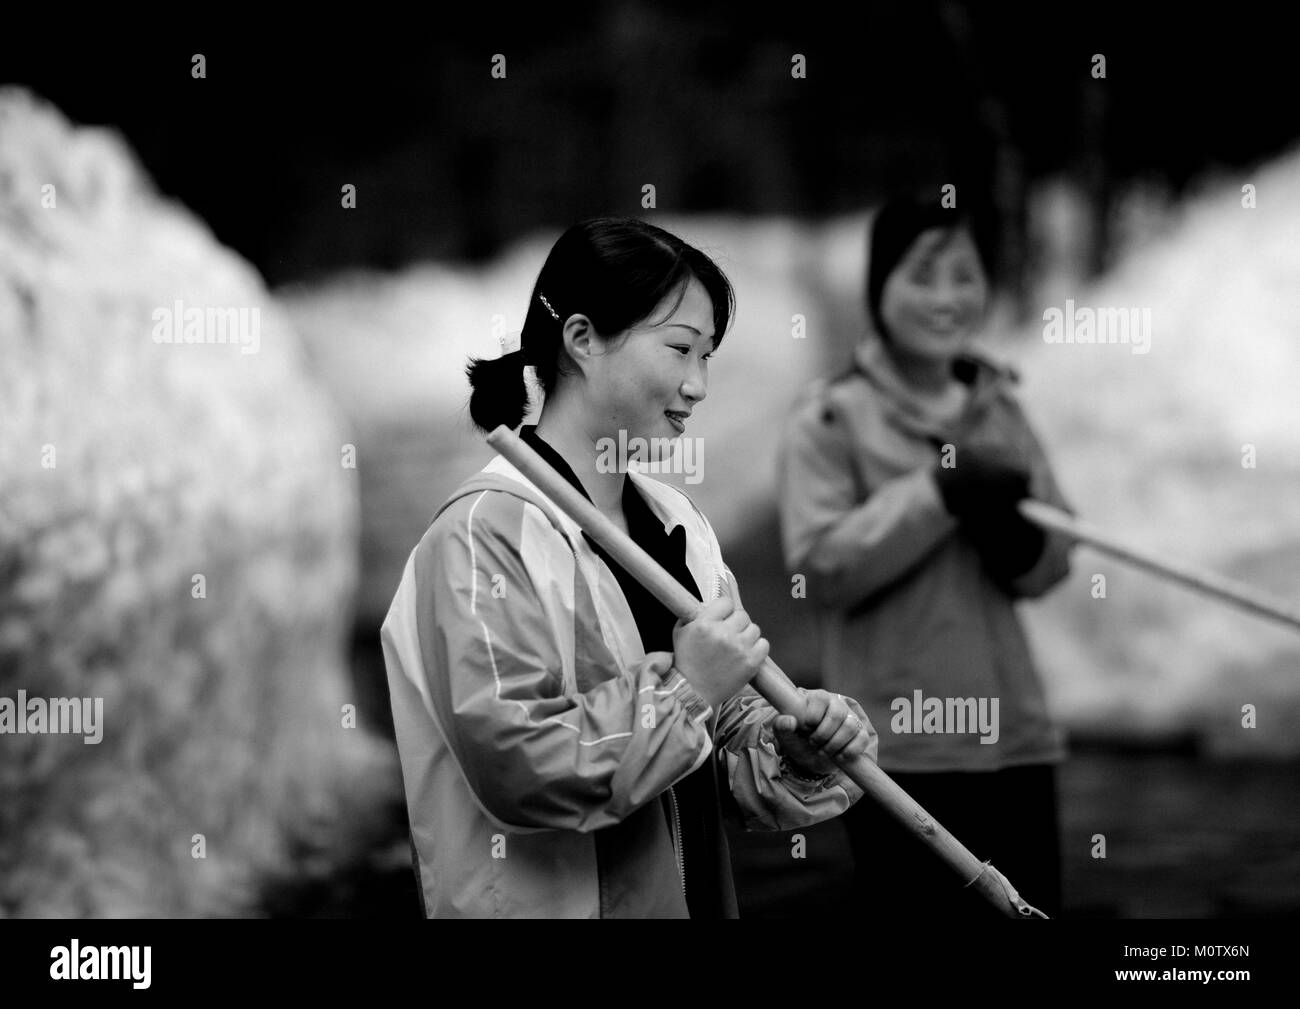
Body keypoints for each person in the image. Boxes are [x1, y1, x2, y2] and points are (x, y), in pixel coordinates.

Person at [381, 216, 878, 918]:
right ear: (582, 339)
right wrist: (687, 688)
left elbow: (720, 745)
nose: (699, 384)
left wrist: (792, 745)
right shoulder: (481, 536)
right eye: (680, 349)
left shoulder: (679, 524)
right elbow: (518, 766)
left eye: (707, 355)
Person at [777, 194, 1074, 918]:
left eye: (964, 275)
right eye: (923, 275)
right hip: (898, 753)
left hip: (1016, 742)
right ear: (880, 286)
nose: (947, 297)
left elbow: (1054, 559)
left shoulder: (999, 405)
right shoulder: (829, 415)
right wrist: (936, 493)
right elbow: (820, 567)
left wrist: (1022, 541)